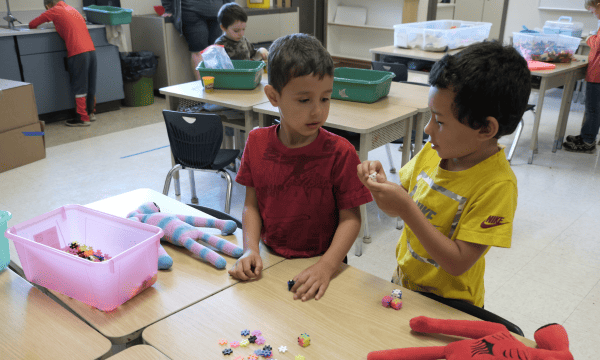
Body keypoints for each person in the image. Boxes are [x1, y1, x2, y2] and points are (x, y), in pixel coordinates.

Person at [357, 41, 531, 308]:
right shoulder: (434, 150)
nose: (427, 129)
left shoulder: (498, 185)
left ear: (485, 129)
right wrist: (380, 189)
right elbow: (397, 205)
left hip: (452, 306)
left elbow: (457, 261)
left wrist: (405, 208)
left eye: (439, 121)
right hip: (404, 284)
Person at [229, 34, 373, 302]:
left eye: (325, 99)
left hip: (324, 266)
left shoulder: (340, 152)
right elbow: (251, 205)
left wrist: (327, 267)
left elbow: (351, 219)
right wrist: (250, 249)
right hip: (270, 260)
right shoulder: (257, 143)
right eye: (305, 100)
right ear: (273, 96)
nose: (317, 112)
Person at [29, 0, 97, 127]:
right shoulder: (72, 9)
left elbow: (32, 24)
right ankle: (91, 113)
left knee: (79, 86)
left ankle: (82, 118)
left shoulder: (54, 10)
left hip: (77, 52)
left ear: (48, 5)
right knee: (90, 84)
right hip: (91, 50)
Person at [161, 0, 232, 80]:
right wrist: (168, 8)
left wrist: (230, 7)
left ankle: (217, 86)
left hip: (217, 11)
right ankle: (202, 86)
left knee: (215, 50)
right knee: (199, 50)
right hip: (191, 11)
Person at [563, 0, 600, 153]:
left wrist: (589, 38)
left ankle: (588, 141)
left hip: (597, 75)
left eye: (592, 10)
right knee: (593, 108)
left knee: (593, 109)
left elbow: (597, 44)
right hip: (596, 72)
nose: (593, 14)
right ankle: (587, 135)